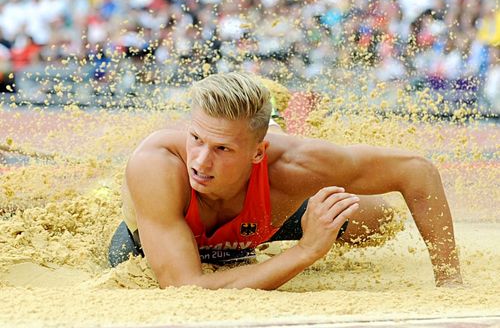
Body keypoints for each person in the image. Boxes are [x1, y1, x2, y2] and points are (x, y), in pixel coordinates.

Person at [109, 72, 462, 290]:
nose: (200, 161)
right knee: (131, 258)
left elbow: (416, 169)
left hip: (261, 216)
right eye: (196, 139)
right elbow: (187, 286)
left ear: (257, 154)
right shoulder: (158, 167)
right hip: (156, 240)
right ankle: (271, 117)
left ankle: (282, 122)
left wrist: (450, 281)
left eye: (222, 148)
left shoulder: (292, 165)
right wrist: (306, 251)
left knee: (380, 219)